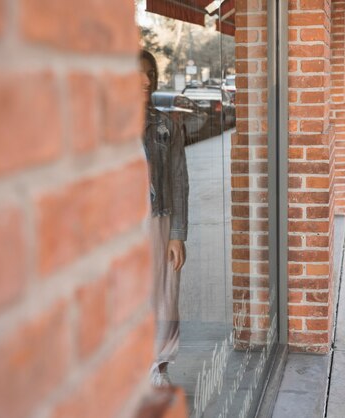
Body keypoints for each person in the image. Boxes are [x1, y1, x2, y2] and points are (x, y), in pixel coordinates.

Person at [140, 49, 189, 387]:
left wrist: (178, 234)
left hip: (157, 222)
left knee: (163, 293)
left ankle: (157, 365)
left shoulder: (165, 127)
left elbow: (179, 181)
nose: (145, 81)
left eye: (150, 75)